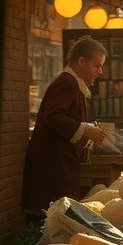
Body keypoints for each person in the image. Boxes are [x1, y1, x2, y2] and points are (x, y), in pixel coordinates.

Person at [23, 36, 108, 215]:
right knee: (52, 215)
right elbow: (52, 116)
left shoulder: (74, 83)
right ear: (81, 61)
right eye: (96, 65)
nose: (100, 71)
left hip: (60, 160)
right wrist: (85, 129)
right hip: (53, 163)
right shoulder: (67, 82)